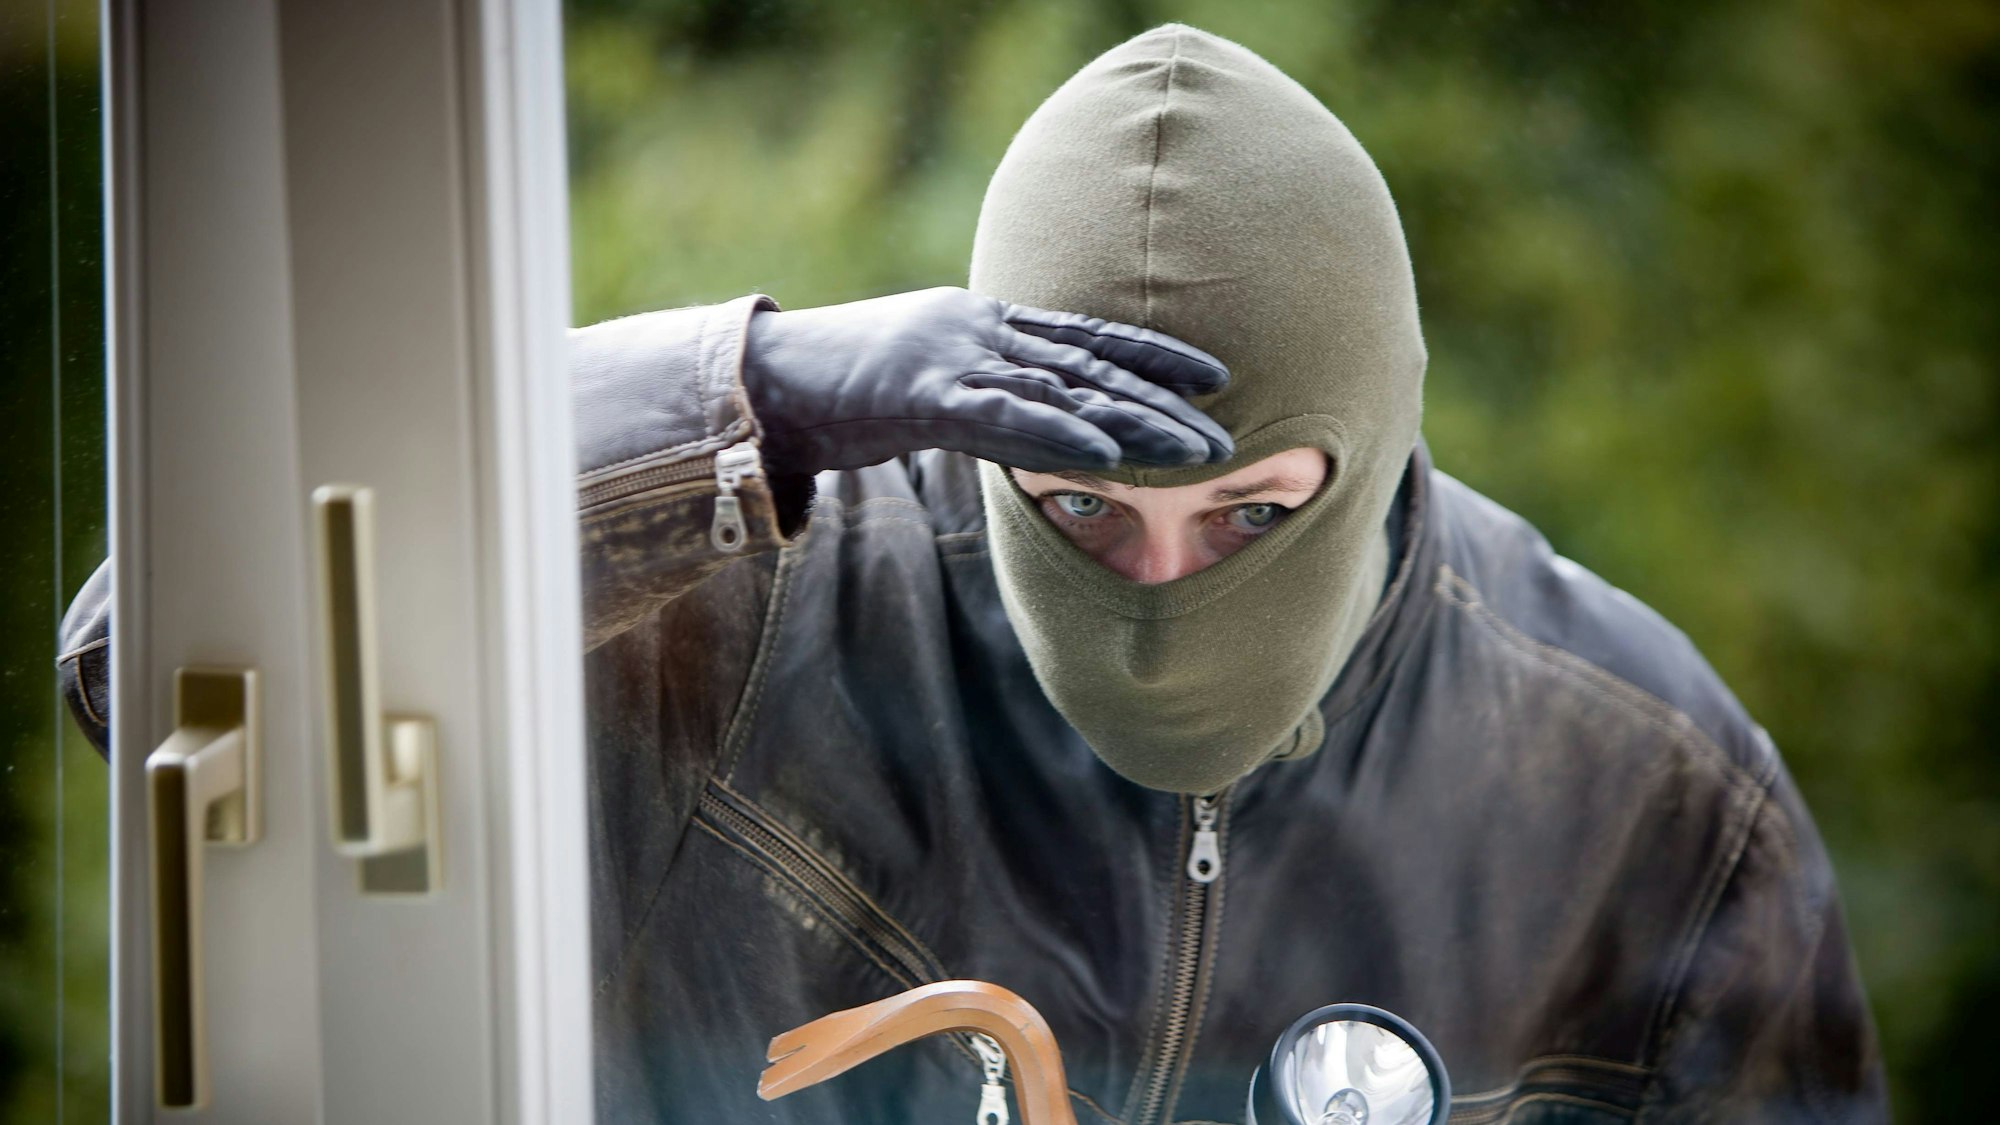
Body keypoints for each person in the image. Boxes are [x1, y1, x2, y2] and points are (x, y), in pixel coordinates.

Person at [65, 24, 1885, 1124]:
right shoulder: (732, 614)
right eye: (1082, 509)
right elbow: (152, 658)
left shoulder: (1639, 790)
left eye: (1251, 516)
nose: (1163, 594)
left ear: (1385, 441)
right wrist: (742, 387)